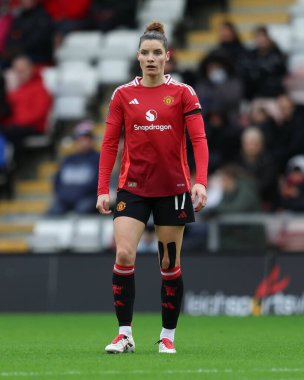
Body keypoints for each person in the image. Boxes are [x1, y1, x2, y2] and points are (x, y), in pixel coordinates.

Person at [96, 21, 208, 354]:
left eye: (157, 52)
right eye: (145, 52)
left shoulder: (184, 93)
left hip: (173, 190)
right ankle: (125, 333)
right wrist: (104, 187)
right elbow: (108, 143)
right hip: (132, 189)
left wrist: (199, 181)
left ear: (167, 56)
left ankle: (167, 336)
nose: (150, 58)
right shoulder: (123, 95)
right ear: (138, 57)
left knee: (168, 265)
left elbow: (198, 140)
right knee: (124, 253)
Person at [0, 56, 52, 155]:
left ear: (30, 69)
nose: (20, 74)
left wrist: (15, 122)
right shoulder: (14, 90)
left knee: (12, 132)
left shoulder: (40, 89)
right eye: (17, 71)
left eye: (22, 71)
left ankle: (12, 163)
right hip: (14, 125)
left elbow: (39, 113)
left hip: (33, 127)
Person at [48, 121, 99, 215]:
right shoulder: (68, 159)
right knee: (53, 211)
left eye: (86, 139)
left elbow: (97, 183)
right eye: (80, 139)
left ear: (92, 140)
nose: (83, 142)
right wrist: (63, 195)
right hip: (65, 199)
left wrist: (79, 194)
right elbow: (57, 181)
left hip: (87, 198)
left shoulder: (98, 158)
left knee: (84, 208)